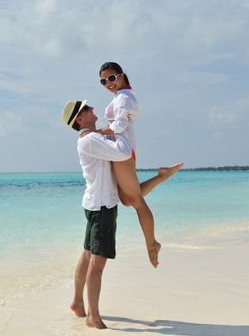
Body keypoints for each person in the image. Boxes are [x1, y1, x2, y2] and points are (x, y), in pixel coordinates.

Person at [62, 100, 181, 329]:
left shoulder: (90, 138)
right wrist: (123, 122)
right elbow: (124, 151)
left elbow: (129, 194)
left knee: (87, 255)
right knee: (97, 264)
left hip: (95, 203)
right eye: (87, 110)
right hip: (102, 208)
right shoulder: (90, 140)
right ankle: (92, 317)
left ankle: (78, 302)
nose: (92, 110)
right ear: (79, 119)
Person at [94, 62, 183, 267]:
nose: (108, 83)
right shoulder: (121, 96)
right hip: (122, 150)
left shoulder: (125, 97)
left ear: (122, 76)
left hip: (123, 152)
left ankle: (152, 245)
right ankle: (162, 176)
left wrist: (97, 133)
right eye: (103, 81)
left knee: (137, 203)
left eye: (111, 78)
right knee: (127, 200)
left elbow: (119, 125)